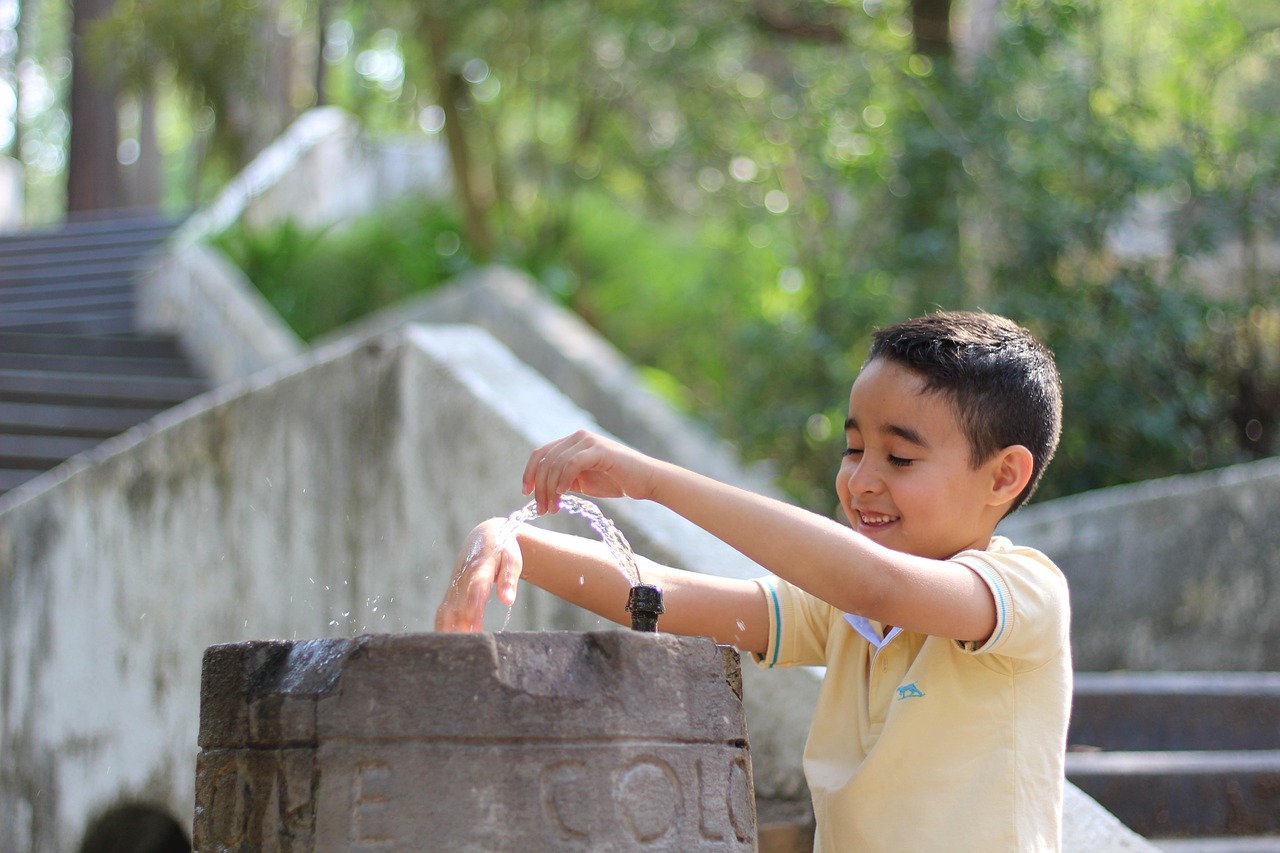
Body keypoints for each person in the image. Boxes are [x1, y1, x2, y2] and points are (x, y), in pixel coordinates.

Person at [436, 310, 1071, 852]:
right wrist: (511, 540)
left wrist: (653, 481)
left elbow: (873, 583)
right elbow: (657, 594)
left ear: (1002, 477)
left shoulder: (1022, 591)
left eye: (900, 458)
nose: (861, 481)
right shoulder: (839, 612)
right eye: (853, 450)